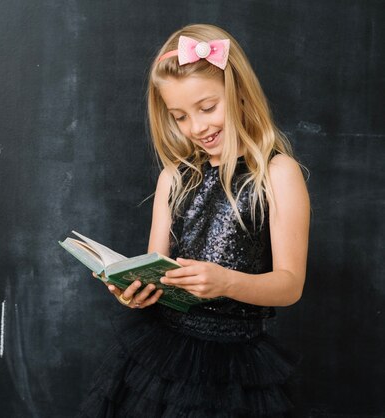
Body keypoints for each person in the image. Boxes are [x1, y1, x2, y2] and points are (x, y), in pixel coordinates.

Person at [77, 23, 310, 417]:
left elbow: (289, 286)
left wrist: (226, 282)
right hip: (161, 356)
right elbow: (158, 268)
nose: (197, 127)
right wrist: (136, 291)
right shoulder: (174, 177)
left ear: (238, 93)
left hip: (236, 366)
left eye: (207, 108)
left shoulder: (277, 173)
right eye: (180, 116)